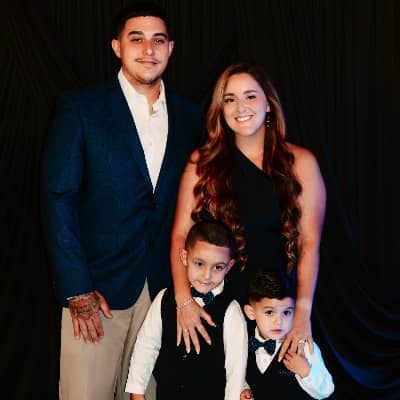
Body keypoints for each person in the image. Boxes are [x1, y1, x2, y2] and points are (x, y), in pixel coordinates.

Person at [41, 2, 204, 400]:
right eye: (137, 39)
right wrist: (77, 288)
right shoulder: (81, 108)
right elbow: (59, 200)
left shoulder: (191, 117)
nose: (148, 49)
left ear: (171, 48)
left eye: (158, 40)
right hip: (96, 295)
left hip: (164, 292)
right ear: (117, 46)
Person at [170, 62, 326, 361]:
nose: (240, 107)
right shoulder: (201, 163)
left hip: (274, 311)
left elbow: (309, 244)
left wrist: (302, 313)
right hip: (213, 309)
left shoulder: (301, 163)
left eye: (250, 96)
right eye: (230, 99)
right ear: (221, 108)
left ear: (269, 104)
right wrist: (184, 301)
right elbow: (180, 236)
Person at [125, 220, 248, 400]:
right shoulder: (164, 298)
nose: (207, 275)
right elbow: (146, 345)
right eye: (199, 264)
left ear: (229, 267)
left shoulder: (231, 311)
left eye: (217, 267)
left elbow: (235, 371)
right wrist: (137, 392)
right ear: (184, 257)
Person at [241, 271, 334, 399]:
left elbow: (327, 390)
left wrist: (305, 371)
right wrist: (245, 389)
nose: (279, 321)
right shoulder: (245, 344)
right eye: (270, 312)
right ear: (251, 312)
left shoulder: (302, 346)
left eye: (286, 312)